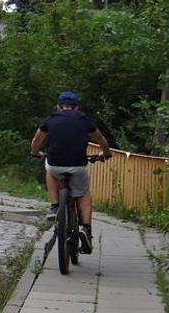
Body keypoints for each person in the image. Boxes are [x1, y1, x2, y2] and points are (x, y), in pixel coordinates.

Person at [30, 91, 112, 254]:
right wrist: (106, 153)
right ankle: (86, 229)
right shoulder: (83, 119)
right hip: (78, 166)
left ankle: (54, 206)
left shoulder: (51, 119)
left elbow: (36, 140)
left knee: (49, 168)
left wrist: (35, 153)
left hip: (55, 164)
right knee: (83, 194)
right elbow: (100, 139)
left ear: (59, 107)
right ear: (76, 108)